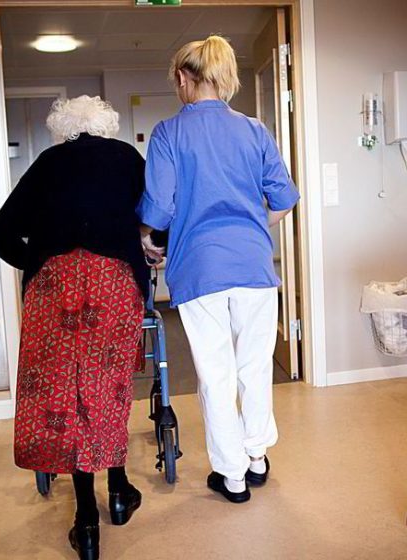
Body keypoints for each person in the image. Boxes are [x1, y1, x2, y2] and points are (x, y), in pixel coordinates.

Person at [137, 36, 300, 504]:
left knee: (216, 373)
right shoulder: (254, 130)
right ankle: (256, 456)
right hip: (253, 266)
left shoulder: (169, 133)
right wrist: (249, 223)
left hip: (199, 269)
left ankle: (231, 476)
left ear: (183, 78)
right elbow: (284, 200)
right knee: (254, 366)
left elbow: (159, 209)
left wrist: (147, 238)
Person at [0, 95, 148, 560]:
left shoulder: (47, 162)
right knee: (109, 387)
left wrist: (37, 263)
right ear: (106, 126)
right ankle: (117, 491)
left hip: (53, 287)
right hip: (113, 282)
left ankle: (86, 520)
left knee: (69, 393)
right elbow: (157, 215)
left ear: (63, 129)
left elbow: (1, 233)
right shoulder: (126, 158)